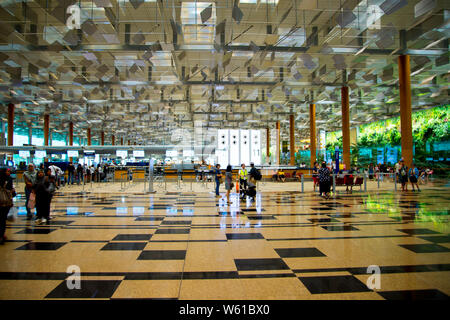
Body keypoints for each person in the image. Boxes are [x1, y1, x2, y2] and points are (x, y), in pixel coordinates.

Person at [0, 168, 16, 244]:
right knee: (2, 219)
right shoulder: (9, 179)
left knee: (2, 219)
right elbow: (11, 192)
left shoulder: (8, 179)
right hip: (5, 202)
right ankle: (1, 235)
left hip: (4, 202)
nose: (9, 172)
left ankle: (1, 234)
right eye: (7, 171)